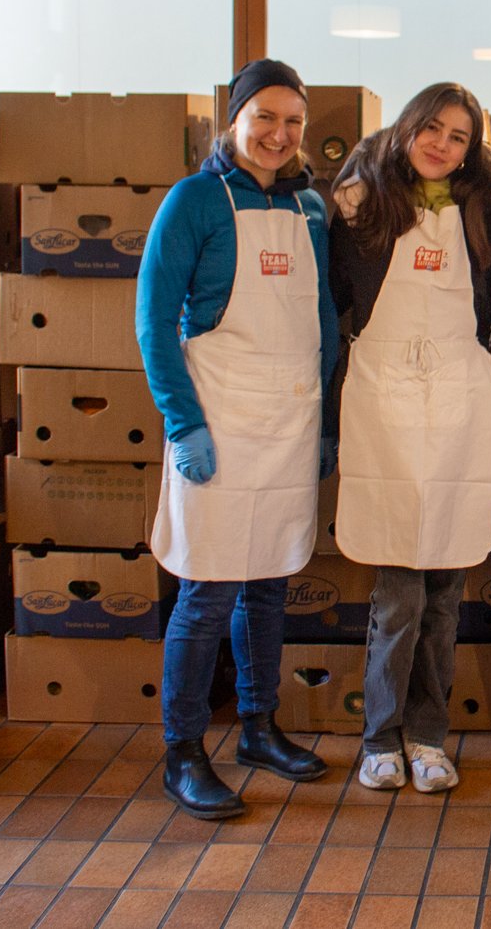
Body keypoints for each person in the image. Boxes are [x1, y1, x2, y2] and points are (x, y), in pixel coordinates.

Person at [137, 58, 339, 820]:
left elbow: (319, 317)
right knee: (208, 589)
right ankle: (182, 751)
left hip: (289, 420)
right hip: (219, 421)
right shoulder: (193, 201)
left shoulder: (310, 208)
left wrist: (322, 424)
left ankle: (258, 726)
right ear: (236, 118)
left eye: (293, 121)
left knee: (269, 583)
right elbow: (154, 322)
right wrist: (182, 421)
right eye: (266, 117)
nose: (280, 134)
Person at [327, 82, 491, 795]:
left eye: (459, 136)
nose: (441, 144)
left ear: (472, 150)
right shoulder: (363, 204)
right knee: (397, 592)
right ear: (406, 129)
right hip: (388, 411)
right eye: (430, 128)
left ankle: (429, 738)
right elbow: (337, 292)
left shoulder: (484, 208)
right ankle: (380, 738)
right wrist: (364, 164)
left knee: (445, 591)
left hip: (458, 410)